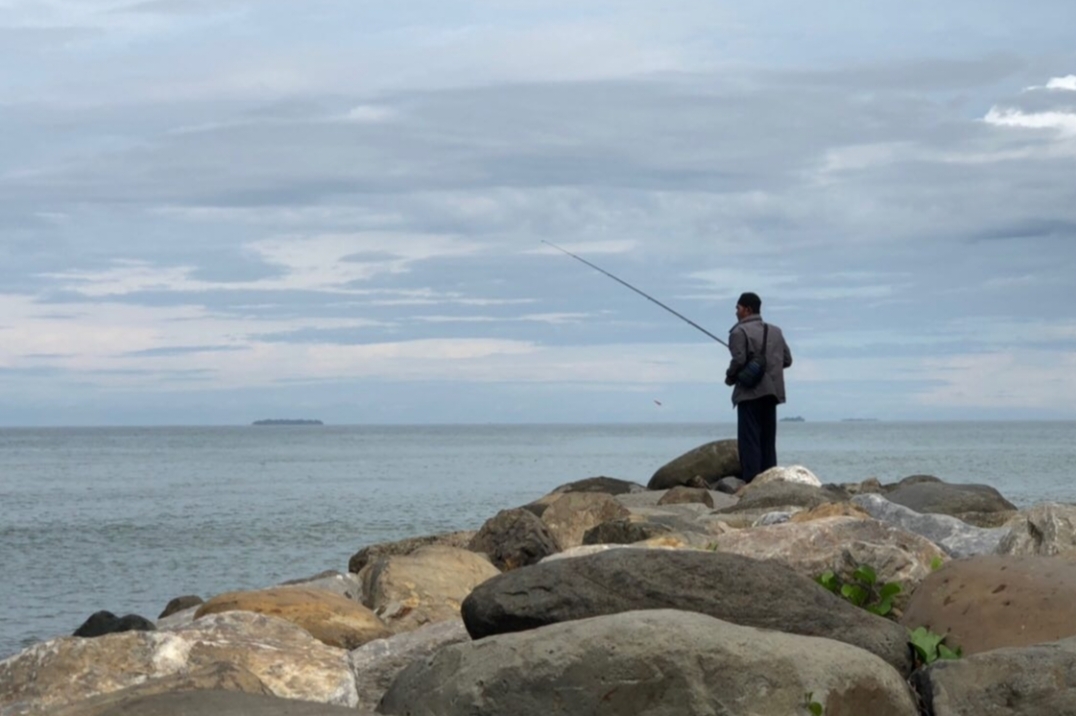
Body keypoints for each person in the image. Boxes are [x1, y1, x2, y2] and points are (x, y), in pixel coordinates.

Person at [724, 292, 792, 483]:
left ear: (747, 309)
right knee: (768, 441)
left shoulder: (739, 332)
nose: (736, 312)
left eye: (738, 308)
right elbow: (787, 360)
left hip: (749, 393)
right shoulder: (776, 331)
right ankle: (770, 481)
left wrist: (730, 377)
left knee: (750, 441)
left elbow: (738, 361)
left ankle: (752, 483)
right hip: (772, 394)